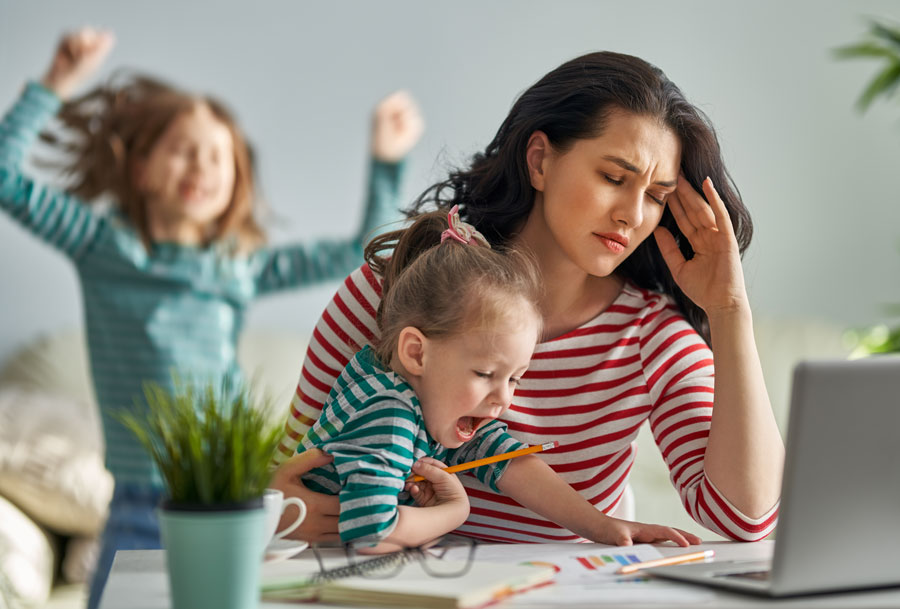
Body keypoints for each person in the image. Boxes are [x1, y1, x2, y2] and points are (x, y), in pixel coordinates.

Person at [270, 50, 784, 545]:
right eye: (613, 177)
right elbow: (282, 471)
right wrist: (281, 512)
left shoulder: (651, 337)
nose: (632, 214)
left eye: (656, 196)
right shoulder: (396, 289)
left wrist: (729, 311)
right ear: (539, 161)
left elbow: (745, 519)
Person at [0, 28, 423, 608]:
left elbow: (364, 248)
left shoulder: (236, 267)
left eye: (218, 155)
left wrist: (386, 160)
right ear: (143, 169)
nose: (202, 163)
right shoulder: (101, 246)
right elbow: (6, 177)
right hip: (139, 504)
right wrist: (56, 84)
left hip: (234, 497)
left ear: (234, 184)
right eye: (184, 148)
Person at [299, 206, 700, 550]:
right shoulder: (388, 414)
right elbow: (370, 533)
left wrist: (603, 526)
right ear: (416, 353)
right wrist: (454, 511)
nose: (503, 400)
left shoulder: (425, 399)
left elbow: (509, 461)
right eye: (486, 374)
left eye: (515, 379)